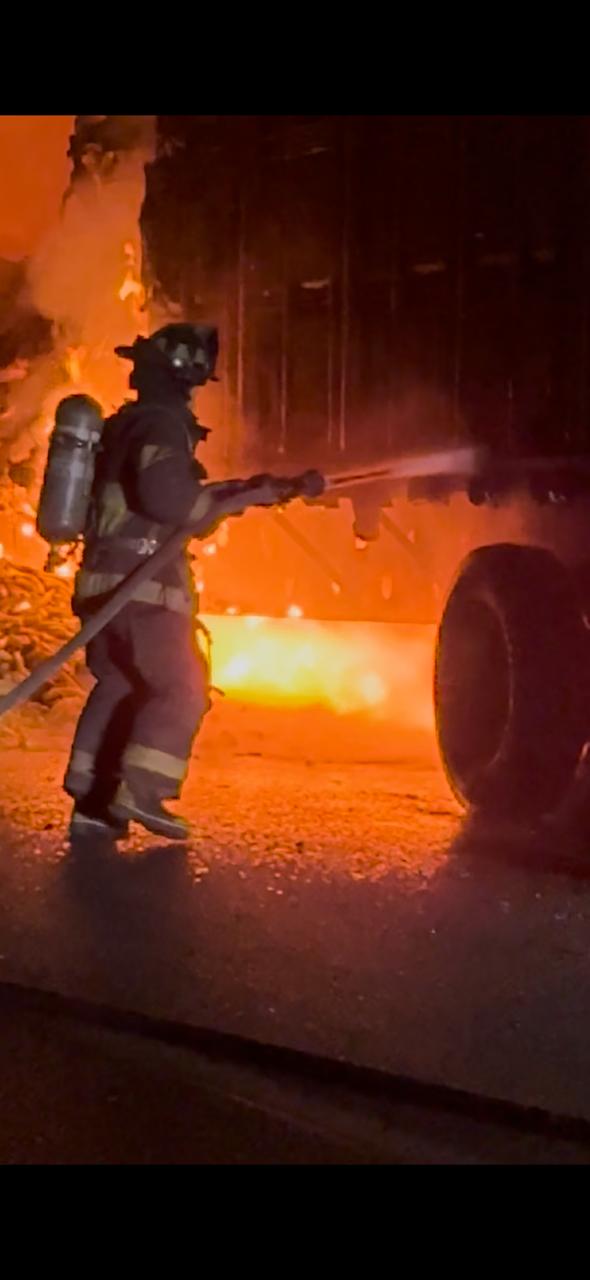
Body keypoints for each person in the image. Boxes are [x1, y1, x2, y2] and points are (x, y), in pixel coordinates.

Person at [65, 323, 322, 841]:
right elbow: (172, 500)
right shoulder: (161, 424)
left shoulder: (126, 423)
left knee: (121, 684)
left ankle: (94, 799)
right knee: (181, 685)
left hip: (104, 587)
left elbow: (166, 496)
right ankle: (143, 789)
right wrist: (233, 498)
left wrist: (253, 491)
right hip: (142, 589)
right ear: (187, 375)